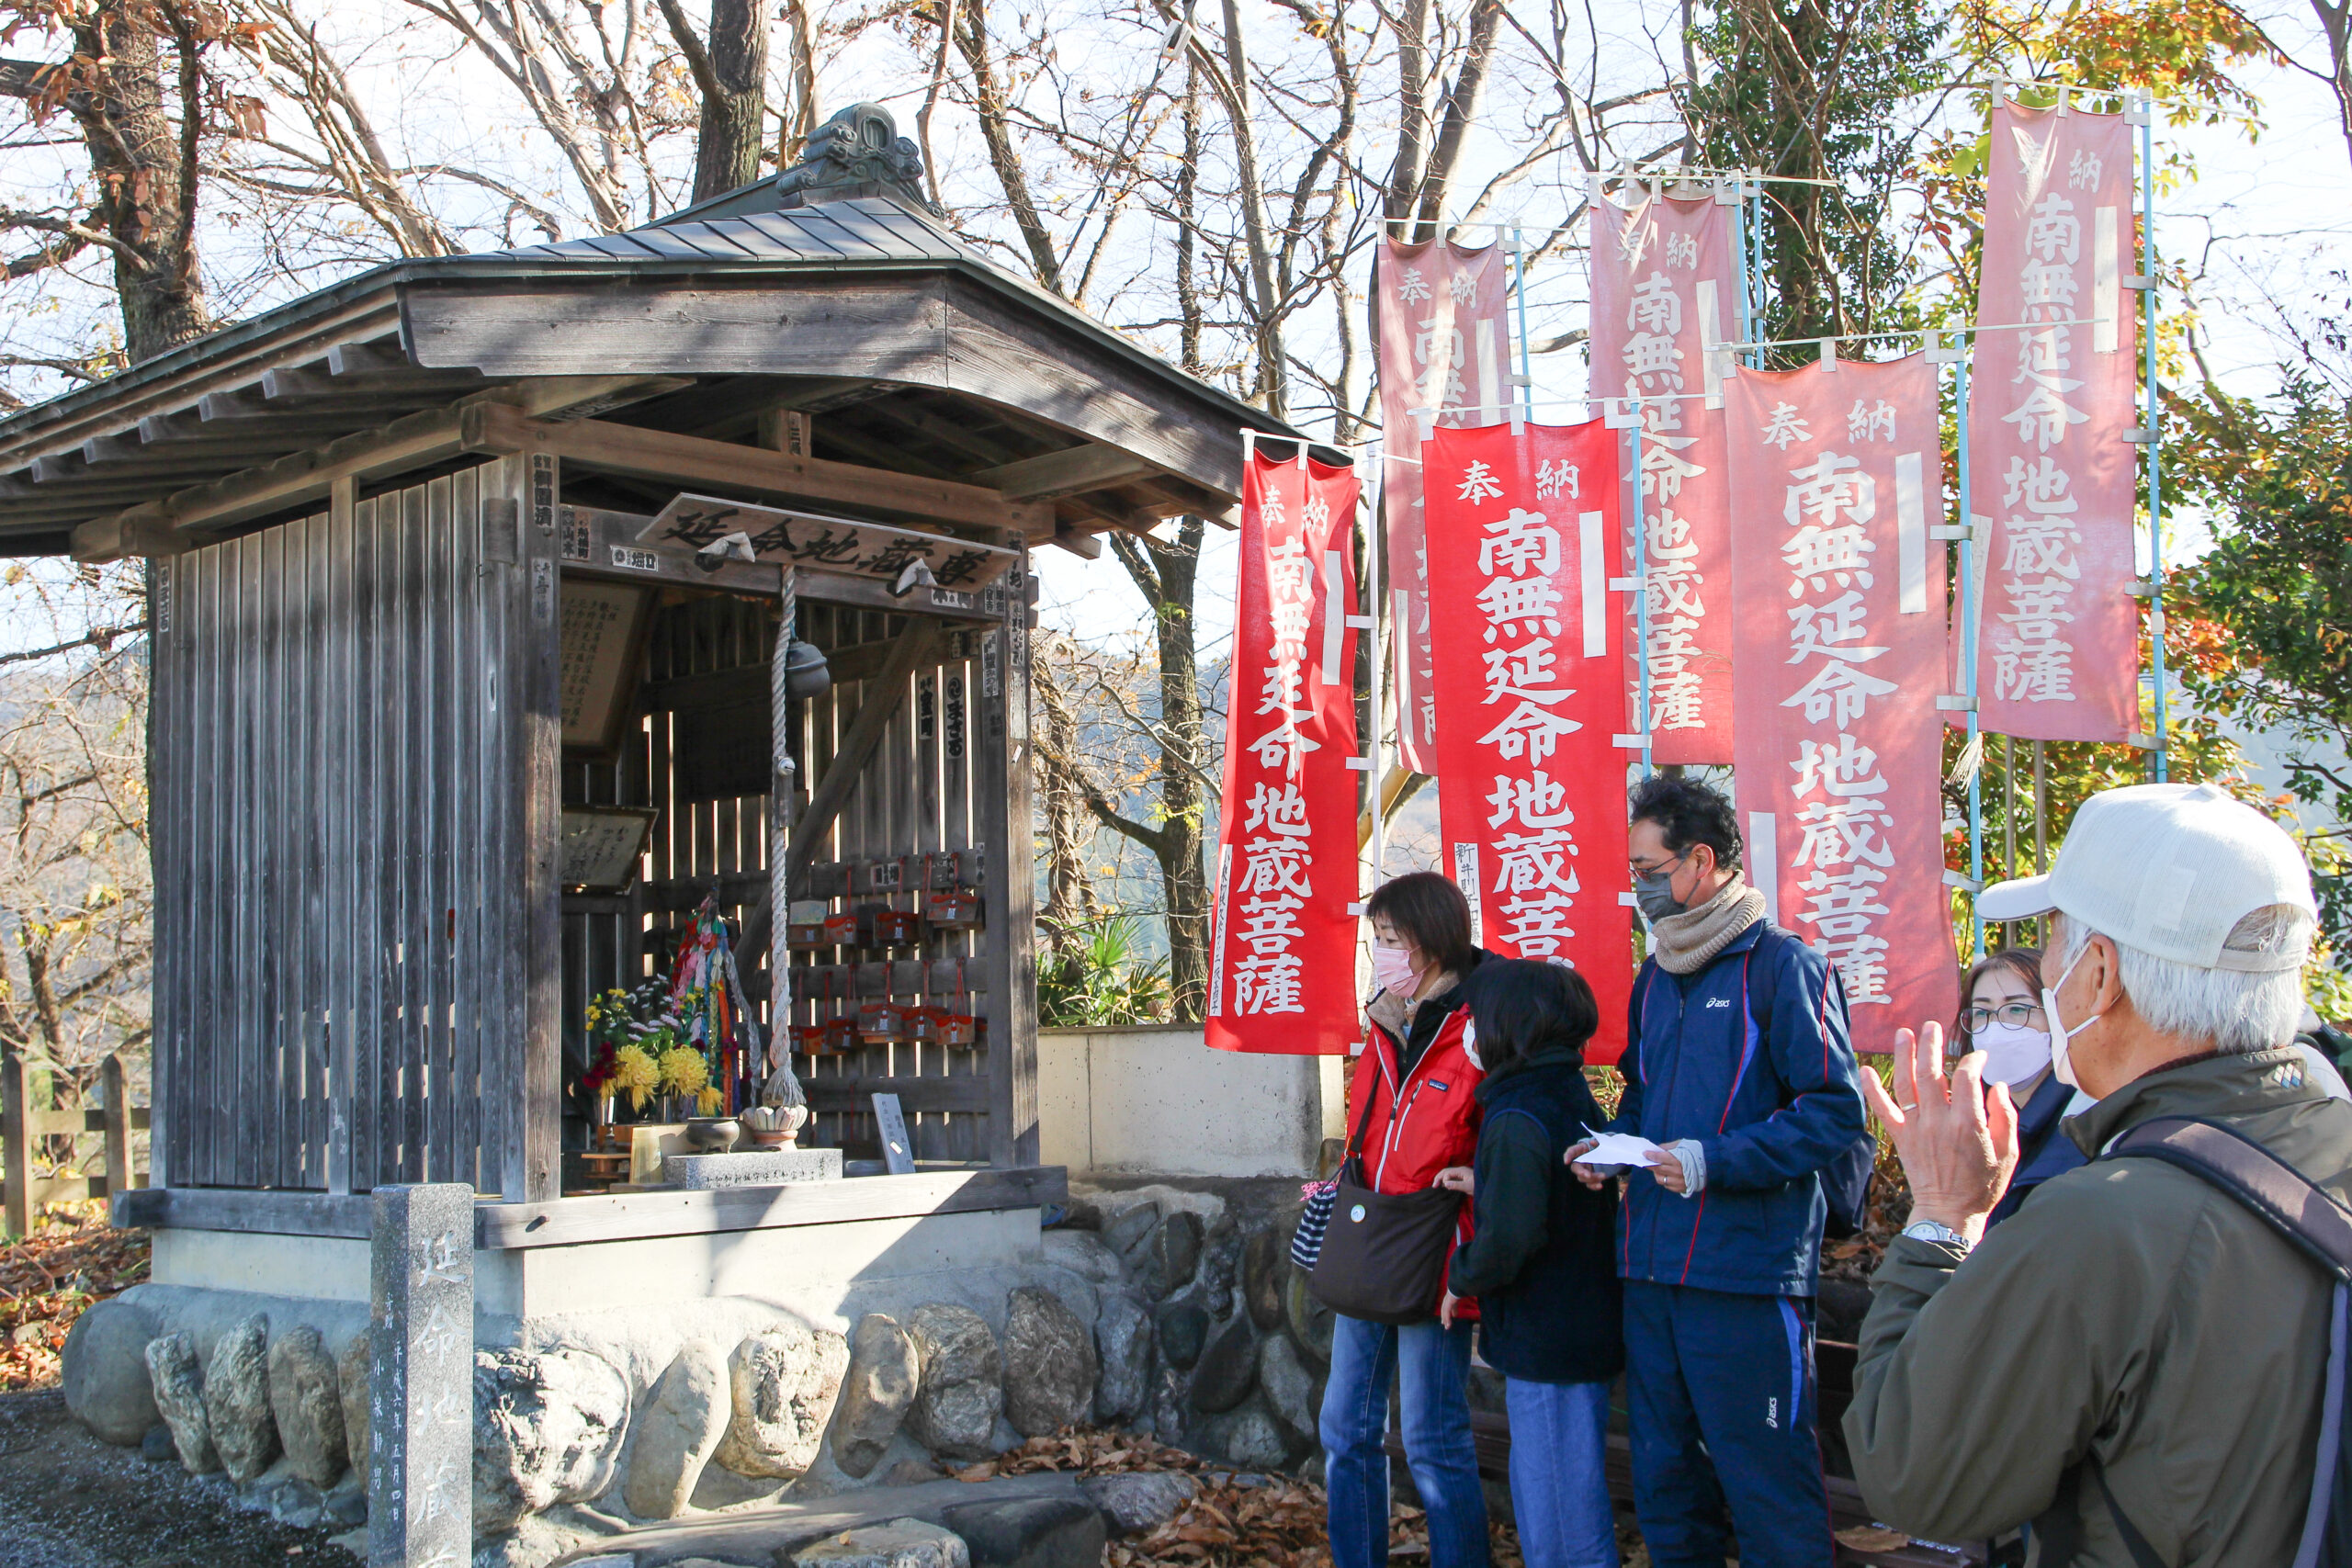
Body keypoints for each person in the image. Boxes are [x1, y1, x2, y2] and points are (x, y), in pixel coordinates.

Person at [1844, 782, 2349, 1564]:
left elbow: (1914, 1475)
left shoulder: (2102, 1219)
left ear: (2101, 974)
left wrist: (1942, 1215)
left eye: (2054, 940)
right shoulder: (2330, 1139)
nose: (2046, 970)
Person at [1567, 773, 1865, 1568]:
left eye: (1648, 869)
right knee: (1666, 1491)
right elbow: (1641, 1098)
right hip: (1651, 1271)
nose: (1638, 887)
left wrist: (1713, 1161)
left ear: (1701, 861)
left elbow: (1835, 1112)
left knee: (1770, 1495)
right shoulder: (1654, 977)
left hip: (1745, 1277)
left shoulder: (1784, 966)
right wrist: (1610, 1148)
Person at [1320, 871, 1491, 1568]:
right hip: (1371, 1239)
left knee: (1431, 1440)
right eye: (1377, 939)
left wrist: (1483, 1196)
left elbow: (1516, 1137)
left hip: (1437, 1252)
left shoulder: (1483, 1026)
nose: (1380, 953)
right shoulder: (1386, 1020)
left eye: (1389, 939)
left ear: (1429, 940)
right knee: (1344, 1429)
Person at [1433, 959, 1623, 1568]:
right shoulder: (1566, 1092)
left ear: (1509, 1026)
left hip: (1548, 1343)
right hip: (1579, 1327)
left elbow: (1511, 1238)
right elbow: (1554, 1188)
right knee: (1567, 1498)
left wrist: (1460, 1277)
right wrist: (1488, 1181)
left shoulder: (1517, 1113)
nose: (1470, 1029)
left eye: (1476, 1017)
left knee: (1560, 1520)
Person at [1951, 948, 2085, 1226]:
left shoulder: (2082, 1124)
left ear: (2057, 1015)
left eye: (2017, 1009)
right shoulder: (1972, 1128)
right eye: (1982, 1012)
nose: (1996, 1027)